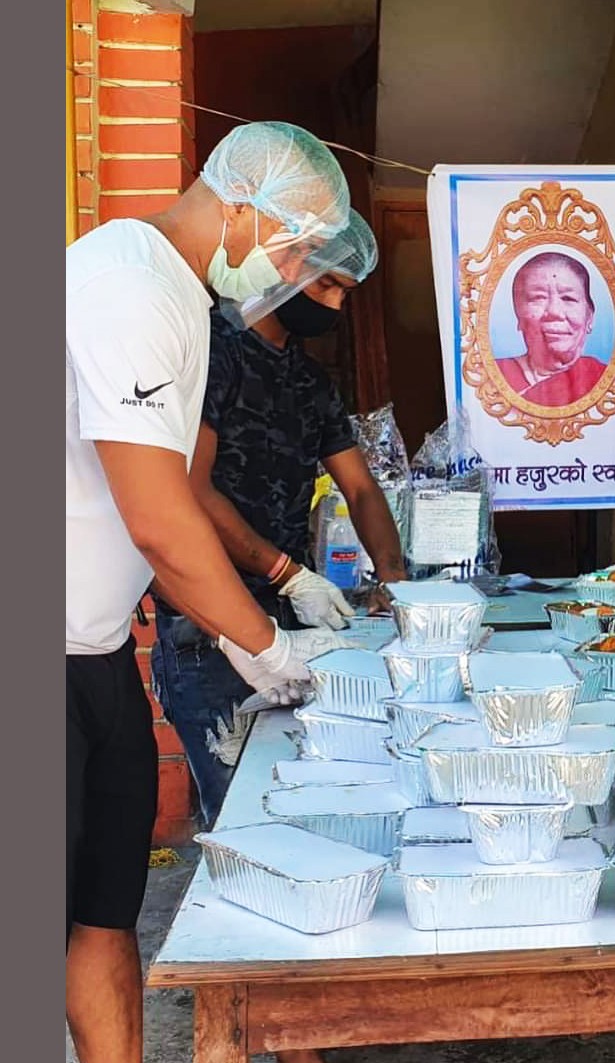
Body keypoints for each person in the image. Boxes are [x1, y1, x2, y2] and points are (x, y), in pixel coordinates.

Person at [65, 121, 354, 1063]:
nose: (295, 267)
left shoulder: (184, 300)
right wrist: (263, 646)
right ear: (240, 206)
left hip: (97, 653)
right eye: (295, 243)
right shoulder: (128, 283)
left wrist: (260, 610)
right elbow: (157, 516)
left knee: (104, 909)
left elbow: (175, 490)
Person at [150, 210, 409, 828]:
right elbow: (190, 489)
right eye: (327, 286)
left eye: (347, 292)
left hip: (293, 632)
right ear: (289, 268)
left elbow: (361, 490)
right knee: (243, 819)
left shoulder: (309, 381)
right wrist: (287, 570)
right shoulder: (214, 352)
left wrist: (395, 581)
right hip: (207, 629)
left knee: (305, 806)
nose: (338, 307)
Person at [493, 250, 609, 406]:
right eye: (538, 298)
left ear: (589, 317)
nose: (554, 311)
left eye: (568, 298)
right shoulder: (493, 379)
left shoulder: (607, 381)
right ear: (518, 315)